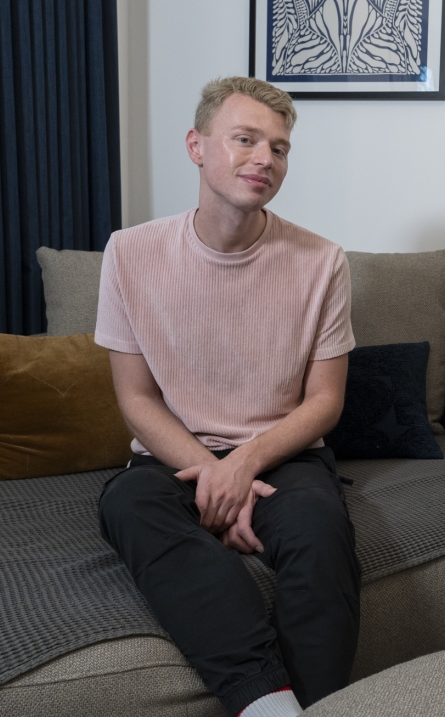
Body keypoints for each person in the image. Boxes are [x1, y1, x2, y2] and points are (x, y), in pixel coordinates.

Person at [96, 77, 359, 717]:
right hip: (171, 458)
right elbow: (136, 397)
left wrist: (242, 467)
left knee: (321, 533)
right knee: (127, 505)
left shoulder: (323, 261)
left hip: (284, 457)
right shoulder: (129, 253)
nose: (266, 159)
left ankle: (319, 705)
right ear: (197, 146)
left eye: (280, 147)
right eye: (245, 139)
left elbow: (324, 402)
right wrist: (215, 475)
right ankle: (265, 702)